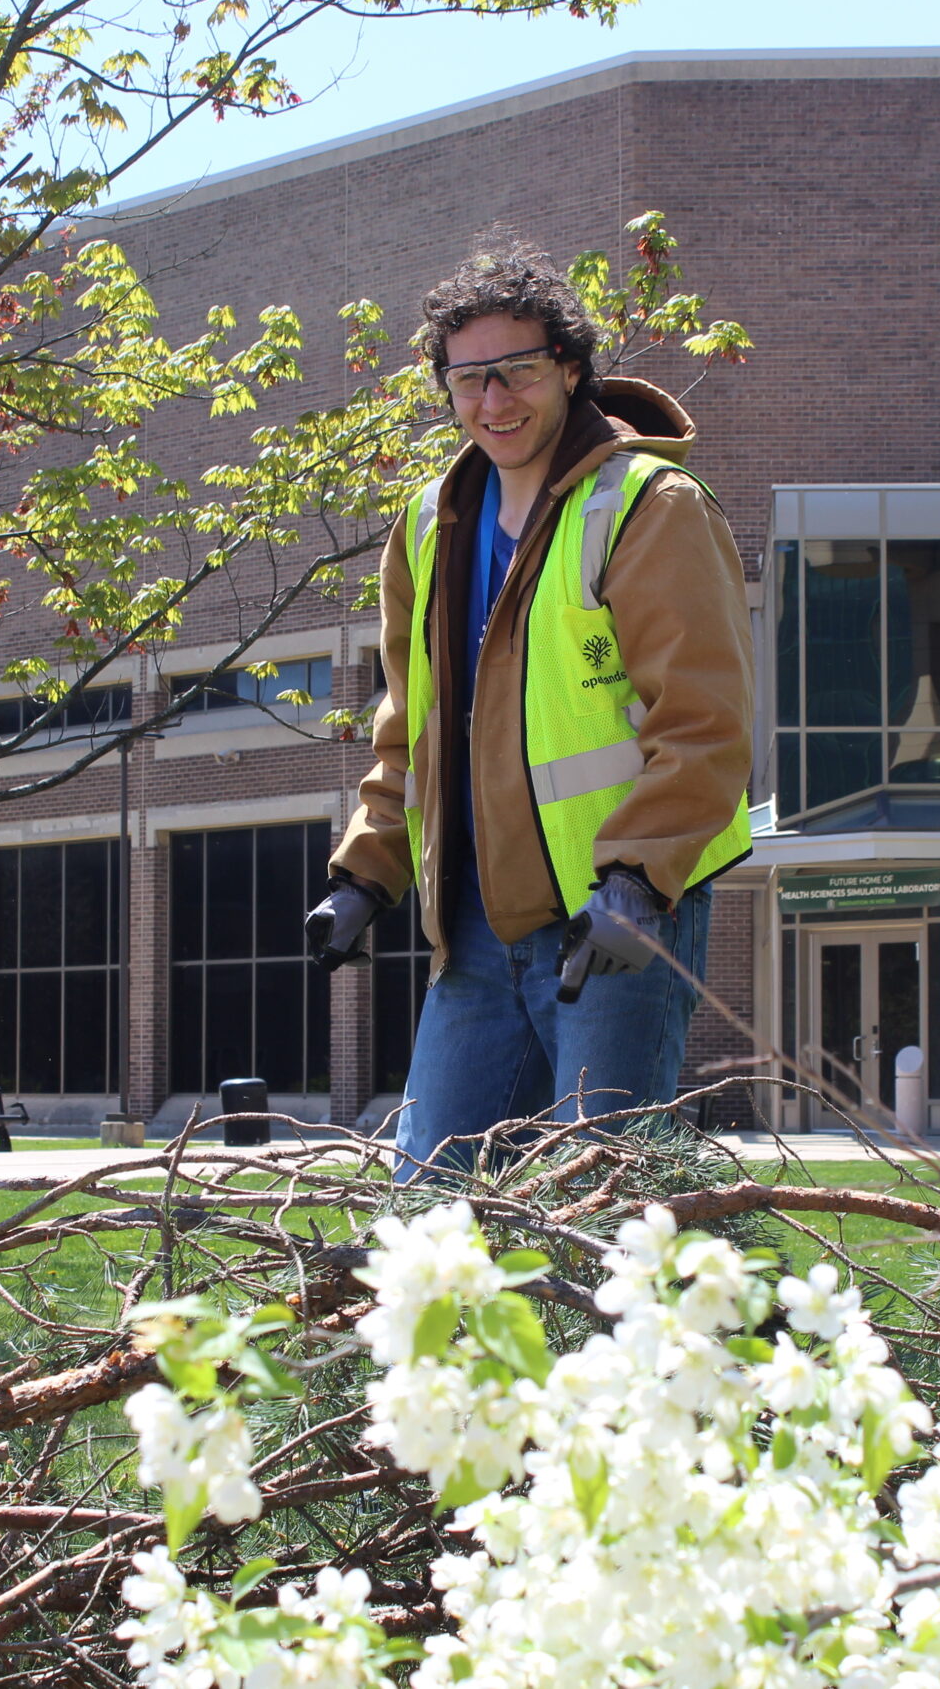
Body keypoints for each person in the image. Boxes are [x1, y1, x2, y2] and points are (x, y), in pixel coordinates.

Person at [305, 233, 754, 1179]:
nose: (493, 402)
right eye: (468, 381)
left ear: (573, 367)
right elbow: (411, 729)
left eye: (517, 372)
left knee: (605, 1204)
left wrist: (639, 879)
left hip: (618, 919)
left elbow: (704, 723)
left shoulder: (648, 504)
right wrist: (366, 872)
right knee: (428, 1206)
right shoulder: (429, 527)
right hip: (473, 930)